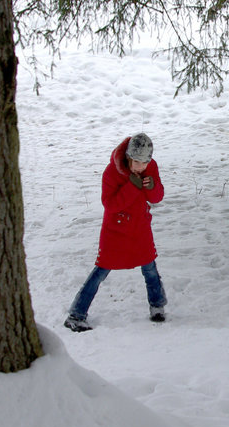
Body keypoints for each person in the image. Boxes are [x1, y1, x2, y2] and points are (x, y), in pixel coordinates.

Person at [64, 133, 168, 332]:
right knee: (101, 271)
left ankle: (157, 306)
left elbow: (156, 198)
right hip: (116, 231)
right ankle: (76, 314)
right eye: (136, 162)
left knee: (150, 269)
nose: (140, 167)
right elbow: (109, 204)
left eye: (144, 162)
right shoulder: (112, 172)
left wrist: (152, 187)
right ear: (128, 157)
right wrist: (132, 188)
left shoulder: (150, 167)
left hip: (140, 229)